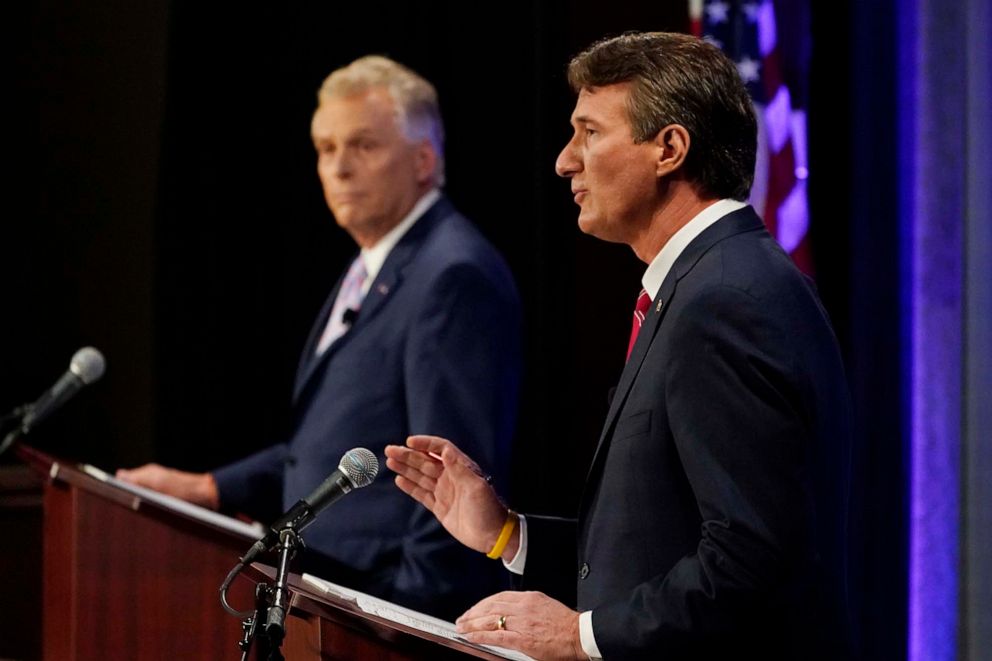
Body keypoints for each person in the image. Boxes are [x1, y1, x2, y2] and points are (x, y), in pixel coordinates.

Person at [386, 32, 852, 659]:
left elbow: (751, 559)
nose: (564, 161)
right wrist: (507, 534)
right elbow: (661, 545)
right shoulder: (702, 286)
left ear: (669, 148)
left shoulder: (726, 299)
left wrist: (578, 636)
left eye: (589, 132)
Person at [117, 55, 522, 619]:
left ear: (424, 159)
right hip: (331, 595)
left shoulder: (452, 275)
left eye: (363, 145)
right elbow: (334, 442)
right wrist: (209, 488)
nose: (339, 168)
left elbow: (453, 469)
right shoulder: (376, 265)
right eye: (326, 149)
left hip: (379, 612)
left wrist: (405, 617)